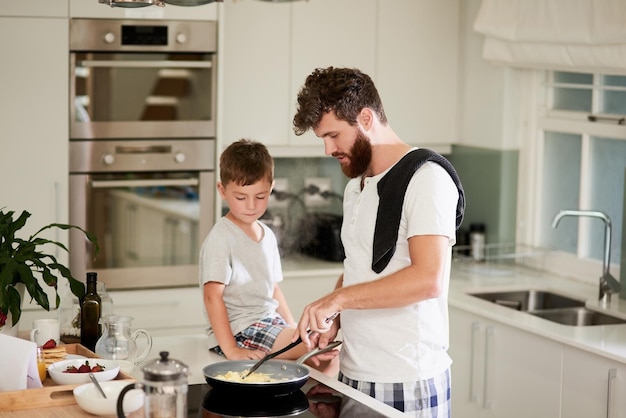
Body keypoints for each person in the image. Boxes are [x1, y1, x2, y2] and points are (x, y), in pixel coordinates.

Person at [291, 67, 465, 417]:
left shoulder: (426, 179)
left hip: (406, 380)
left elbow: (427, 279)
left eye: (333, 135)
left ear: (366, 118)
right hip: (356, 374)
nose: (327, 149)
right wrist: (334, 313)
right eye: (322, 138)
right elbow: (360, 269)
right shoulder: (356, 186)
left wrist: (337, 299)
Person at [199, 139, 339, 372]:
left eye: (261, 196)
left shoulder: (268, 235)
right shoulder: (221, 239)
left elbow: (272, 288)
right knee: (316, 345)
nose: (251, 206)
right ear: (222, 190)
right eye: (241, 197)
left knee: (322, 346)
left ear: (271, 188)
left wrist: (294, 326)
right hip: (240, 329)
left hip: (269, 322)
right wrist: (232, 349)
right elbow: (212, 297)